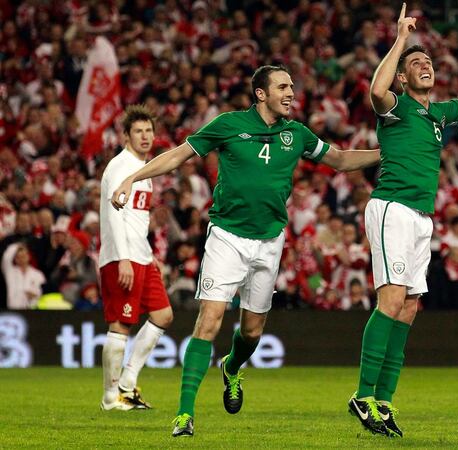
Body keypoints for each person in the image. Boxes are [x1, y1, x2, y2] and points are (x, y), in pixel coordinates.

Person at [112, 65, 380, 437]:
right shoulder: (228, 124)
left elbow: (340, 159)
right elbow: (177, 155)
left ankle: (232, 368)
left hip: (270, 240)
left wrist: (387, 153)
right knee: (209, 319)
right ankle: (184, 415)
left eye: (291, 87)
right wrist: (132, 176)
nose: (291, 93)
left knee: (252, 333)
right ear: (261, 94)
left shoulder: (296, 133)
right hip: (227, 236)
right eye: (283, 87)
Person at [349, 3, 458, 437]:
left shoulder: (439, 113)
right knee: (391, 301)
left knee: (410, 307)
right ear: (403, 76)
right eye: (416, 63)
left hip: (421, 217)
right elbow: (375, 91)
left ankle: (384, 402)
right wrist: (399, 41)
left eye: (428, 61)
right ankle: (362, 395)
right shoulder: (395, 107)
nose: (424, 66)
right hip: (391, 208)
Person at [99, 105, 174, 412]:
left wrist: (147, 255)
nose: (145, 136)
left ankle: (128, 385)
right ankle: (110, 397)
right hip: (122, 258)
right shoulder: (120, 167)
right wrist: (125, 258)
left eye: (148, 131)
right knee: (120, 325)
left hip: (141, 256)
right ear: (126, 136)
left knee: (163, 315)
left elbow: (134, 219)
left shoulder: (145, 171)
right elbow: (115, 215)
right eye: (138, 132)